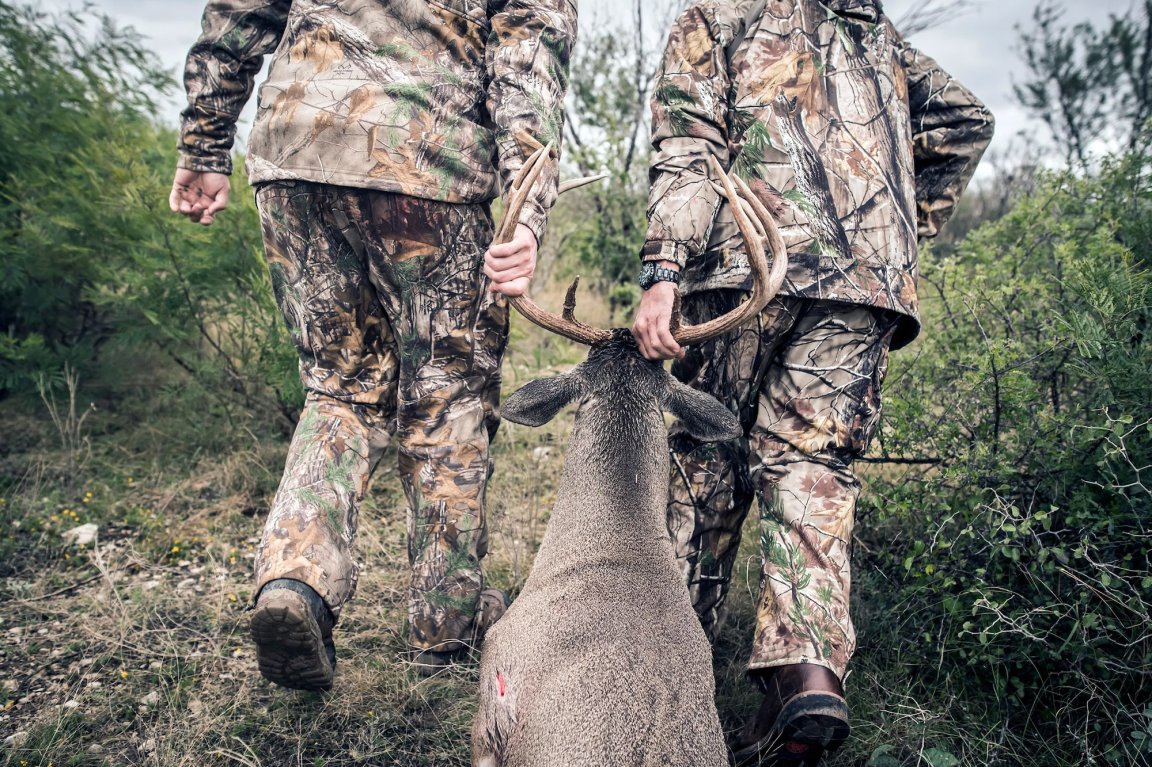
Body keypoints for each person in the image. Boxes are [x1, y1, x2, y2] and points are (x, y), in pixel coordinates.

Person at [170, 0, 577, 689]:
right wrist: (526, 212)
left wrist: (206, 145)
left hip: (297, 145)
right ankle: (443, 630)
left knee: (340, 385)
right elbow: (527, 59)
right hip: (429, 158)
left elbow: (239, 13)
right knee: (448, 393)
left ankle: (295, 581)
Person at [631, 0, 993, 763]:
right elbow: (966, 122)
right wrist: (893, 228)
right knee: (811, 465)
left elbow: (689, 146)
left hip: (745, 265)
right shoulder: (871, 32)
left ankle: (662, 669)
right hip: (866, 283)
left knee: (707, 453)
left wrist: (663, 271)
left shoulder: (720, 11)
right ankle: (806, 674)